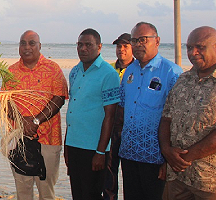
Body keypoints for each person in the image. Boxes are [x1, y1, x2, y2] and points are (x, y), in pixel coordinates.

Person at [119, 22, 182, 200]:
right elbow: (123, 109)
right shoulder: (129, 71)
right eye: (134, 40)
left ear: (157, 41)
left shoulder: (171, 73)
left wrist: (167, 158)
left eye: (143, 39)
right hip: (129, 153)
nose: (138, 44)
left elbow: (176, 120)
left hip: (156, 157)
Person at [2, 30, 68, 200]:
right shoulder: (11, 72)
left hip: (48, 140)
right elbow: (4, 102)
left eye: (32, 43)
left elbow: (59, 98)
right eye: (22, 43)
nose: (27, 47)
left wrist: (36, 120)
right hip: (19, 140)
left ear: (40, 46)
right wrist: (21, 120)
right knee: (23, 192)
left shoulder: (53, 69)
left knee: (46, 192)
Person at [159, 26, 216, 199]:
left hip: (208, 181)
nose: (193, 52)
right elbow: (166, 118)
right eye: (189, 47)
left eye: (200, 47)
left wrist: (183, 158)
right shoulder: (183, 79)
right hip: (177, 177)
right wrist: (166, 150)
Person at [65, 28, 120, 200]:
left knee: (92, 194)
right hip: (74, 145)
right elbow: (72, 109)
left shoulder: (108, 74)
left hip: (94, 149)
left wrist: (101, 152)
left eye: (88, 45)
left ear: (99, 47)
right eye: (79, 45)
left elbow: (110, 116)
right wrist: (67, 145)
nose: (83, 49)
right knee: (77, 193)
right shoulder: (74, 71)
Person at [103, 33, 134, 200]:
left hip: (130, 129)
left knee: (130, 173)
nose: (121, 50)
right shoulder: (109, 70)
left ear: (132, 48)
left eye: (125, 46)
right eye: (119, 46)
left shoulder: (138, 70)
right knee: (109, 172)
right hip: (111, 127)